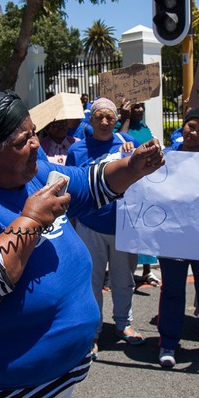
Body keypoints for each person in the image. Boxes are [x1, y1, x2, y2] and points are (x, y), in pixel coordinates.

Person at [0, 90, 164, 398]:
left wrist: (132, 167)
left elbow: (85, 185)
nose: (35, 144)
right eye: (21, 141)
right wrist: (32, 220)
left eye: (33, 133)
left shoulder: (35, 176)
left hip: (54, 381)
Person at [66, 98, 144, 359]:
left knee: (124, 280)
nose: (104, 121)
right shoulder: (77, 151)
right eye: (99, 116)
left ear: (116, 120)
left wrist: (133, 153)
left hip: (123, 226)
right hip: (89, 226)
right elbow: (69, 188)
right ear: (90, 120)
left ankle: (124, 324)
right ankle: (93, 331)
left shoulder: (126, 144)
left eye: (109, 117)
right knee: (92, 281)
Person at [157, 107, 199, 367]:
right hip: (173, 236)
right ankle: (168, 344)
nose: (194, 133)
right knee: (172, 291)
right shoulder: (167, 156)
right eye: (191, 126)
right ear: (183, 126)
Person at [116, 100, 161, 288]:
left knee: (147, 224)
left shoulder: (145, 127)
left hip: (146, 182)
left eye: (142, 106)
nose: (140, 109)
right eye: (136, 107)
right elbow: (122, 140)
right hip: (129, 182)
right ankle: (127, 272)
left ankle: (147, 269)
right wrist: (125, 118)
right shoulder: (120, 127)